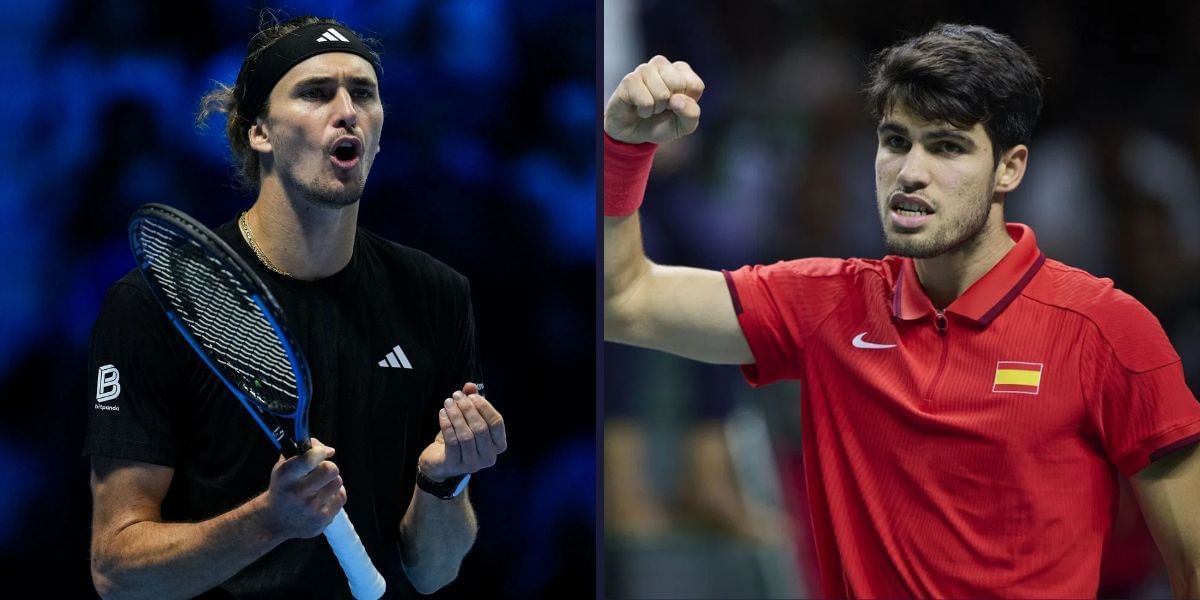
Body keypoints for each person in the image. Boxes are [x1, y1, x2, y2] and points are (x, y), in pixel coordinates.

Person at [603, 23, 1200, 597]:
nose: (911, 173)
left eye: (947, 146)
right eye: (896, 141)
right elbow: (623, 302)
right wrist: (623, 151)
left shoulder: (1107, 330)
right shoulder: (826, 305)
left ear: (1009, 167)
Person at [85, 14, 507, 599]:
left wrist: (443, 481)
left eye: (363, 92)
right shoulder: (150, 304)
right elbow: (117, 572)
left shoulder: (436, 294)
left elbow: (433, 571)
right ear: (260, 132)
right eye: (315, 92)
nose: (347, 109)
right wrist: (270, 519)